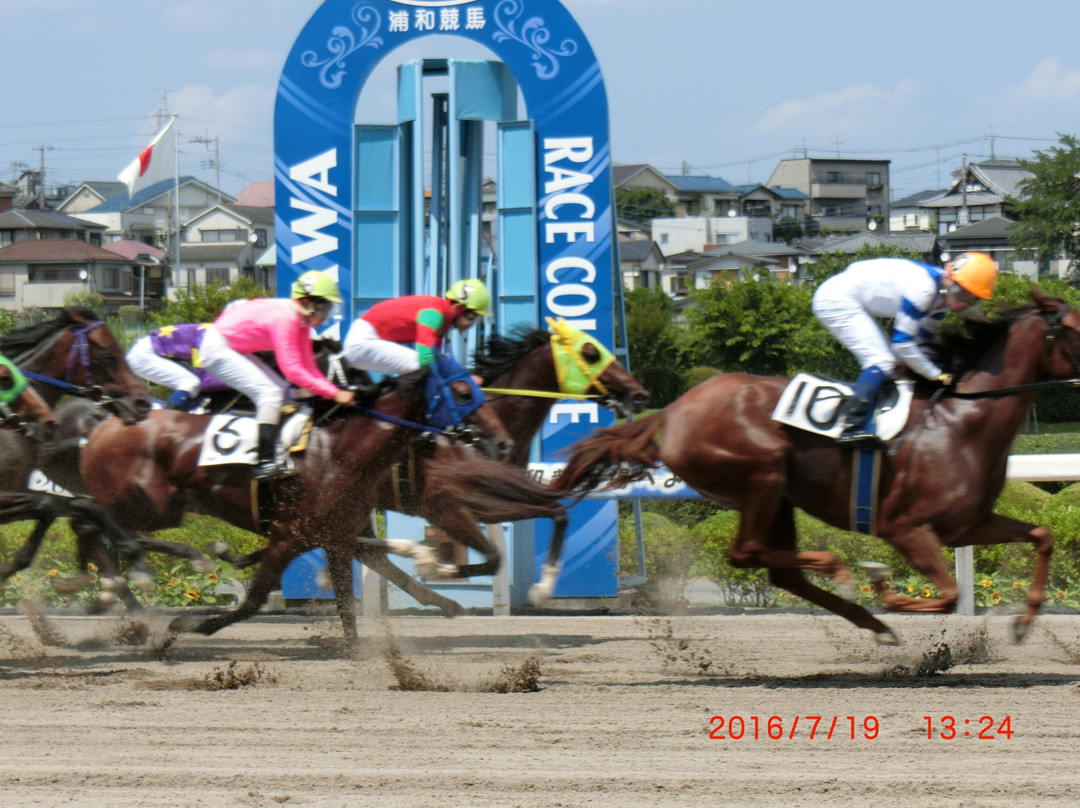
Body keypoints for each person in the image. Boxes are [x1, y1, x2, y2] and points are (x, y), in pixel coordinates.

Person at [811, 251, 999, 446]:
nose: (963, 304)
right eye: (963, 295)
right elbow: (902, 343)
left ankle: (874, 420)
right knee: (882, 361)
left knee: (892, 366)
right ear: (949, 279)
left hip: (850, 298)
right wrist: (936, 375)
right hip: (835, 300)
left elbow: (923, 344)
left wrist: (938, 372)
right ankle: (852, 425)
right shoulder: (925, 290)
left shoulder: (940, 300)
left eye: (972, 300)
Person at [198, 271, 356, 480]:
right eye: (325, 307)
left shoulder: (300, 320)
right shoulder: (285, 319)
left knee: (283, 394)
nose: (327, 314)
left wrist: (331, 390)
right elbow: (293, 370)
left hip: (232, 347)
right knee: (270, 394)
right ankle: (263, 461)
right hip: (217, 349)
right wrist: (334, 393)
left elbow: (307, 364)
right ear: (308, 302)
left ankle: (275, 450)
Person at [341, 278, 491, 374]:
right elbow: (426, 358)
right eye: (472, 317)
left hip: (365, 338)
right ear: (458, 308)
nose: (472, 324)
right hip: (361, 342)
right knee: (422, 366)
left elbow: (435, 357)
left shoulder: (442, 318)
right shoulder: (435, 315)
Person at [126, 323, 231, 411]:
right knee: (191, 384)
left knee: (194, 385)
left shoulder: (216, 332)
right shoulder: (210, 338)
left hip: (155, 351)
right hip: (143, 355)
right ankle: (166, 422)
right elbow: (207, 380)